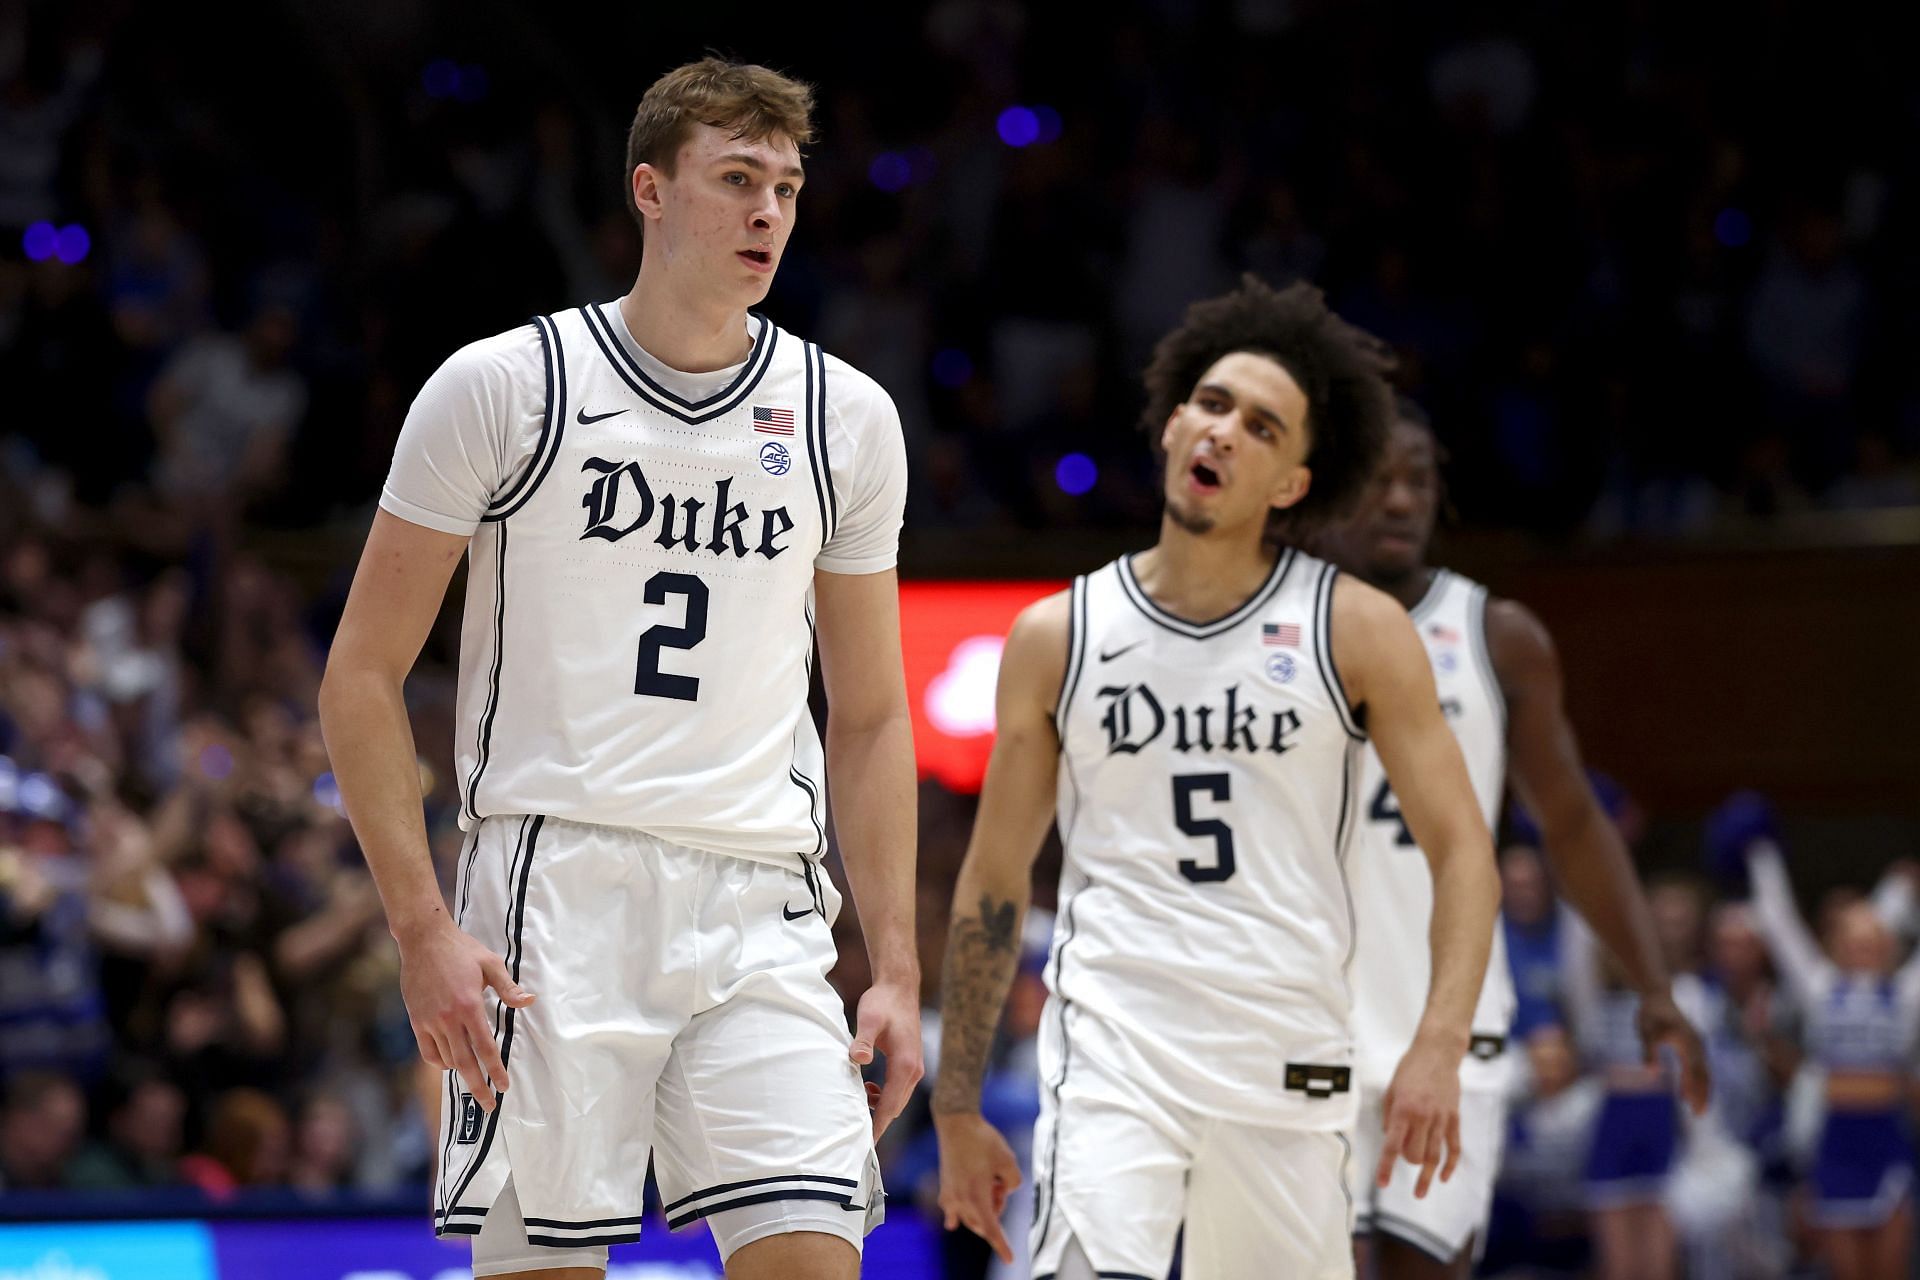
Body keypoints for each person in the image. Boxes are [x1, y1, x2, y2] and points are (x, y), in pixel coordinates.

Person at [317, 57, 920, 1280]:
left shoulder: (845, 418)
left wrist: (898, 964)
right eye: (736, 179)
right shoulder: (502, 387)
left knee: (814, 1255)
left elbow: (867, 714)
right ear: (649, 189)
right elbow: (361, 677)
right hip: (551, 892)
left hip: (760, 900)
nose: (767, 213)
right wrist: (419, 927)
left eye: (788, 188)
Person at [933, 277, 1502, 1280]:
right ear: (1170, 426)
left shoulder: (1357, 628)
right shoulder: (1057, 636)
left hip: (1285, 1051)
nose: (1224, 430)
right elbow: (992, 882)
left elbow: (1466, 852)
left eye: (1262, 424)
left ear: (1293, 482)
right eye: (1211, 403)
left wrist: (1437, 1042)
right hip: (1114, 1050)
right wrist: (957, 1101)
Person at [1314, 398, 1711, 1278]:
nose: (1401, 500)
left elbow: (1572, 824)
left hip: (1451, 1022)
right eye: (1379, 479)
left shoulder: (1496, 636)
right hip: (1311, 1016)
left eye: (1419, 480)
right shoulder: (1277, 632)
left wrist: (1651, 981)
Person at [1712, 793, 1918, 1280]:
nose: (1865, 946)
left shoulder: (1905, 995)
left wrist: (1903, 888)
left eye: (1874, 937)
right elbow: (1780, 924)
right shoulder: (1821, 989)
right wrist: (1761, 853)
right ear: (1838, 944)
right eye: (1854, 937)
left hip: (1888, 1140)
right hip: (1838, 1145)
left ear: (1887, 943)